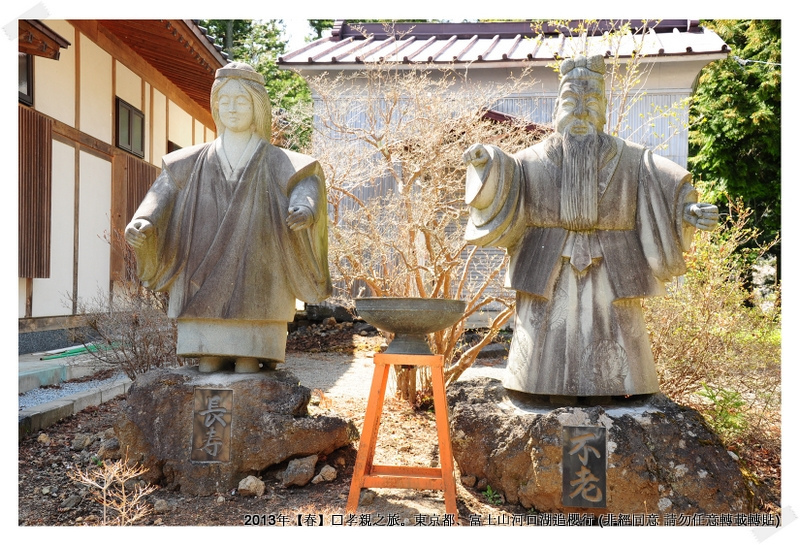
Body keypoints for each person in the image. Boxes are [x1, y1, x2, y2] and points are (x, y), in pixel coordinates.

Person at [463, 54, 718, 397]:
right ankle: (539, 390)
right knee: (544, 341)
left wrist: (687, 211)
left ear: (604, 108)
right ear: (557, 108)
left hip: (615, 263)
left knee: (617, 343)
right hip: (546, 261)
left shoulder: (632, 158)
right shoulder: (532, 160)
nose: (581, 112)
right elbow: (506, 174)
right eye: (571, 101)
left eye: (591, 101)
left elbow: (666, 188)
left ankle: (619, 393)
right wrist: (486, 162)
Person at [125, 62, 331, 373]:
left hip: (260, 264)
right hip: (201, 263)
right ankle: (209, 352)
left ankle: (252, 353)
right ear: (215, 105)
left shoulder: (278, 160)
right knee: (207, 364)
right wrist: (144, 221)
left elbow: (304, 183)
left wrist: (305, 209)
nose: (231, 108)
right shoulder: (188, 161)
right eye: (224, 101)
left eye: (241, 100)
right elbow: (162, 193)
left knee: (250, 361)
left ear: (257, 106)